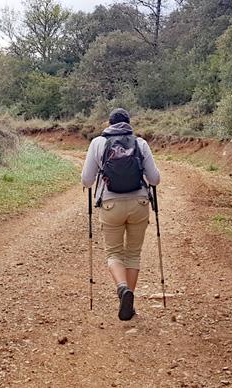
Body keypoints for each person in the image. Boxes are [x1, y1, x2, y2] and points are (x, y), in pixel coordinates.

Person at [81, 108, 161, 320]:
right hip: (139, 203)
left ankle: (122, 289)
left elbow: (87, 180)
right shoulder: (140, 143)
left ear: (109, 124)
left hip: (110, 205)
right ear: (128, 123)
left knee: (114, 253)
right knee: (133, 254)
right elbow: (155, 179)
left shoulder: (98, 143)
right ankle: (130, 301)